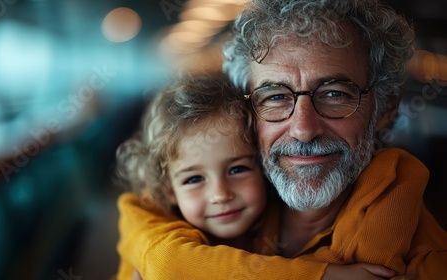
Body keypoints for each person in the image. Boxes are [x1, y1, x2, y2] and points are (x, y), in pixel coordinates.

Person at [116, 0, 447, 279]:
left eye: (334, 93)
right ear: (248, 116)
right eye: (274, 97)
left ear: (387, 108)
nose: (303, 129)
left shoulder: (425, 260)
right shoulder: (184, 208)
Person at [115, 74, 398, 280]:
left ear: (264, 167)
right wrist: (325, 276)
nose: (220, 194)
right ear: (167, 190)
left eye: (237, 169)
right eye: (193, 179)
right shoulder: (142, 217)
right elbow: (170, 266)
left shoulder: (271, 223)